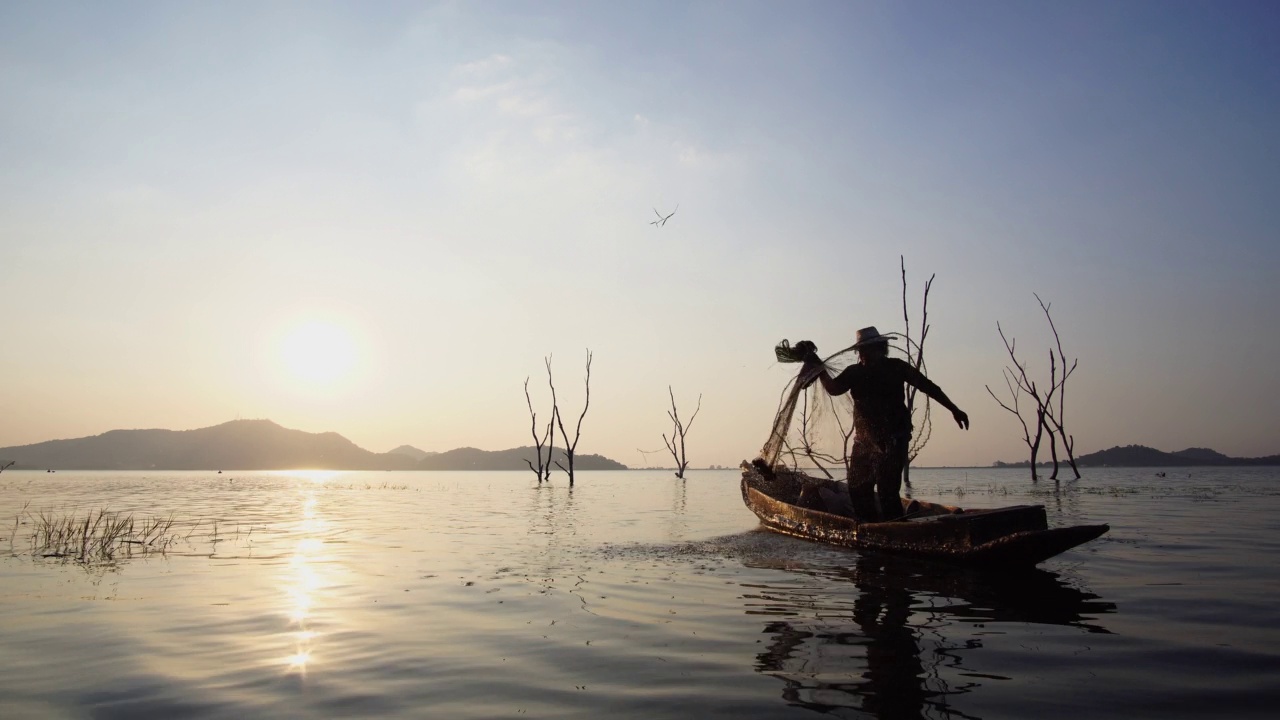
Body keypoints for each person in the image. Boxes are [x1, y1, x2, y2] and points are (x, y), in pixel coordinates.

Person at [800, 326, 969, 521]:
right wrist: (820, 369)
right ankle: (870, 530)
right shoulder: (854, 372)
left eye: (869, 349)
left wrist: (954, 409)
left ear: (881, 349)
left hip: (894, 439)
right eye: (862, 351)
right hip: (864, 441)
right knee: (857, 488)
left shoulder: (897, 367)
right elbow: (834, 389)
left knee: (887, 492)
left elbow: (928, 386)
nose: (864, 354)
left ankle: (896, 530)